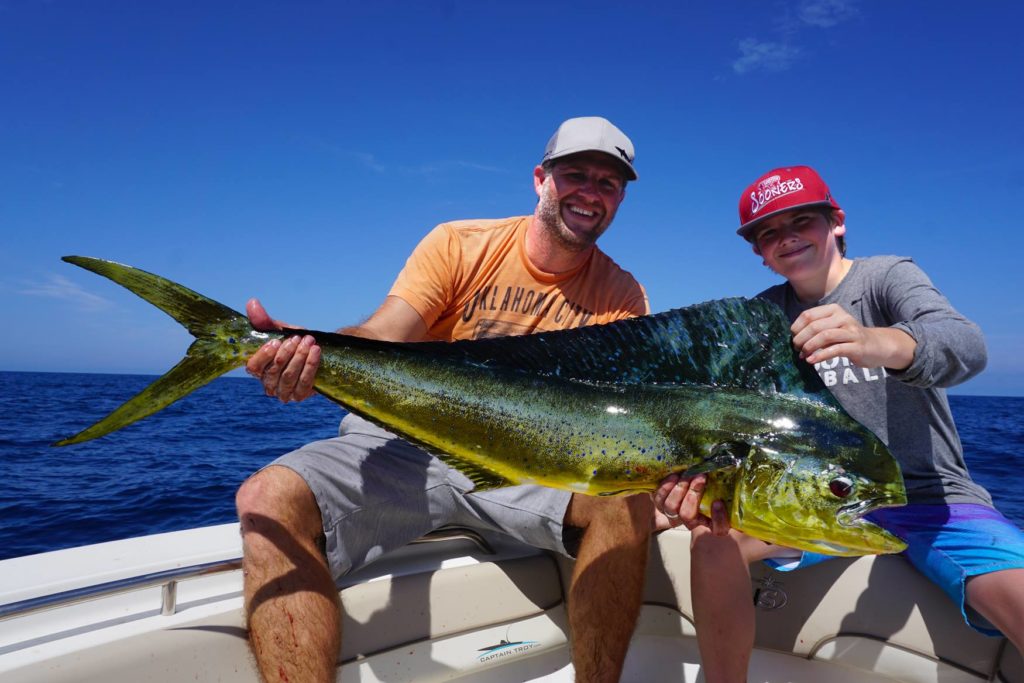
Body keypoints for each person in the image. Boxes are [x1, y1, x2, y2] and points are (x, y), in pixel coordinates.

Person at [237, 116, 665, 683]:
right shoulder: (459, 244)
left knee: (626, 502)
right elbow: (387, 334)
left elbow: (617, 419)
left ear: (620, 199)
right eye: (575, 174)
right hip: (404, 448)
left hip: (528, 464)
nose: (591, 191)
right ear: (541, 180)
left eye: (608, 183)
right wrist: (312, 351)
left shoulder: (624, 295)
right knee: (266, 498)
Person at [655, 165, 1024, 681]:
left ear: (837, 223)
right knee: (712, 538)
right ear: (759, 253)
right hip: (812, 501)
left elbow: (966, 345)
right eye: (769, 233)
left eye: (801, 220)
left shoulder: (885, 277)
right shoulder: (761, 319)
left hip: (932, 499)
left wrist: (881, 343)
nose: (787, 238)